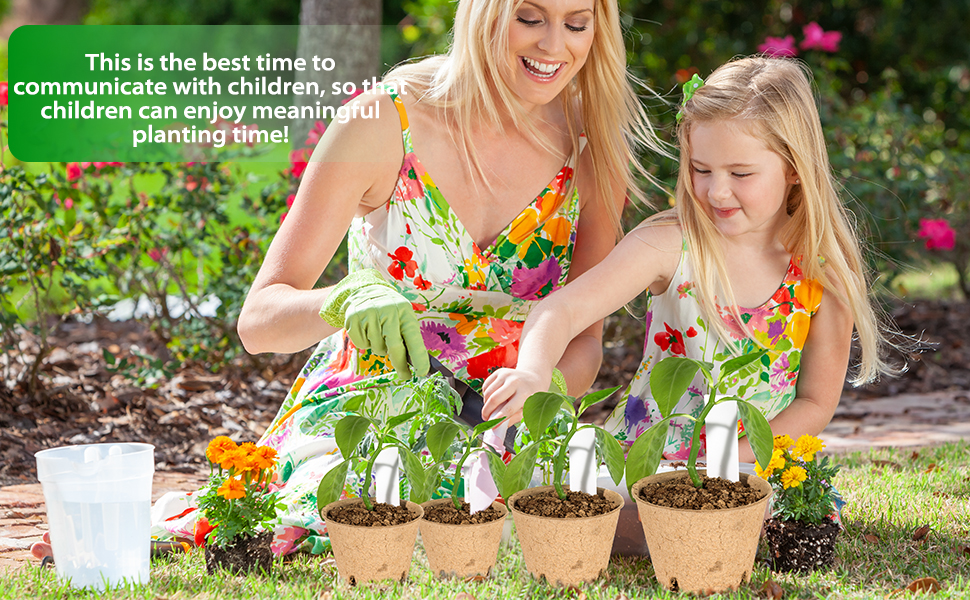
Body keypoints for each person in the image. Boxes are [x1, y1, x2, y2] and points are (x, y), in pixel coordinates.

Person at [141, 0, 662, 557]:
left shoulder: (593, 148)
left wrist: (534, 396)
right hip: (371, 411)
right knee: (356, 510)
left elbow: (583, 345)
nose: (554, 46)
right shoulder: (383, 124)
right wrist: (348, 298)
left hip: (508, 421)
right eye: (530, 18)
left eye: (576, 24)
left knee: (564, 517)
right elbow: (259, 322)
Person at [482, 56, 893, 463]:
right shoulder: (671, 244)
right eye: (701, 169)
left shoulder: (823, 271)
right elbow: (562, 310)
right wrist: (534, 372)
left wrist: (730, 461)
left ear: (793, 168)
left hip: (749, 471)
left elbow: (814, 401)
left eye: (741, 174)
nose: (716, 192)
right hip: (642, 468)